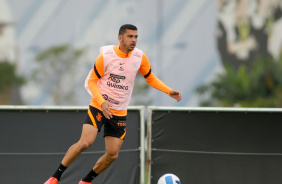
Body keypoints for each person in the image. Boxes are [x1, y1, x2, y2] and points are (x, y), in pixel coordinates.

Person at [44, 24, 182, 184]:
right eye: (130, 36)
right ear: (120, 37)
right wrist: (102, 102)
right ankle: (55, 177)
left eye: (136, 37)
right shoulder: (106, 56)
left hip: (119, 112)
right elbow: (91, 81)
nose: (134, 40)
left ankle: (85, 181)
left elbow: (150, 77)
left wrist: (168, 91)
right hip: (99, 106)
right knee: (85, 143)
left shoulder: (139, 57)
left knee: (112, 154)